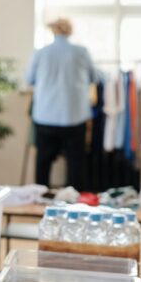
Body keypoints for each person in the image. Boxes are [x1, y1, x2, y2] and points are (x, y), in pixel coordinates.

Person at [25, 18, 97, 188]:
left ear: (53, 31)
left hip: (45, 116)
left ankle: (41, 197)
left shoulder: (41, 53)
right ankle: (74, 200)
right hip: (74, 117)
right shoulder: (81, 52)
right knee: (75, 164)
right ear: (69, 31)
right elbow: (93, 77)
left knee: (43, 162)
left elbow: (29, 79)